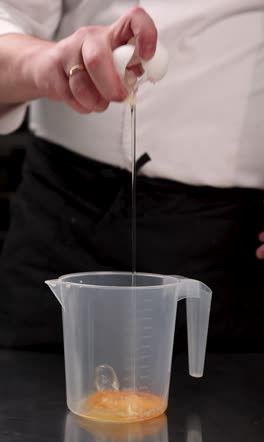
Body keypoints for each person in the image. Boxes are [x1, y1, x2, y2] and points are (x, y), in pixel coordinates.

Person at [0, 1, 263, 352]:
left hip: (233, 241)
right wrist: (43, 63)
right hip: (63, 213)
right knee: (29, 398)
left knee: (222, 400)